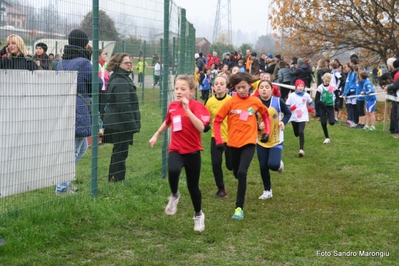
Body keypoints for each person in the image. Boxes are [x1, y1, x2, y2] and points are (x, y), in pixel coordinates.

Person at [149, 75, 211, 232]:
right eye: (176, 88)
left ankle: (198, 215)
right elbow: (168, 121)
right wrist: (156, 134)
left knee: (193, 187)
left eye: (183, 89)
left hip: (193, 152)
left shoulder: (197, 107)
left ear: (191, 91)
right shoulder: (172, 106)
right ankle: (174, 195)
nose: (178, 92)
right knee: (173, 170)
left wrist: (187, 109)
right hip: (176, 148)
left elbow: (201, 128)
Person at [213, 72, 271, 220]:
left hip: (249, 143)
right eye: (238, 88)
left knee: (242, 173)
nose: (241, 90)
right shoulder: (230, 103)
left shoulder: (255, 102)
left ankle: (239, 207)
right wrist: (219, 140)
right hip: (233, 143)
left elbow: (265, 115)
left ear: (249, 86)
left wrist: (267, 131)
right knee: (234, 169)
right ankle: (237, 174)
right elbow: (217, 121)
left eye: (244, 87)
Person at [55, 29, 99, 194]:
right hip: (79, 108)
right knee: (74, 150)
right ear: (83, 42)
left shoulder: (61, 62)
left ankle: (64, 182)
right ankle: (61, 188)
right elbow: (98, 83)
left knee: (81, 148)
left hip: (64, 107)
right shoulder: (83, 62)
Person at [103, 53, 141, 182]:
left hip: (119, 122)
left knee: (119, 151)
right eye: (126, 63)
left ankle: (115, 179)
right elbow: (124, 106)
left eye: (130, 62)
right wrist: (132, 125)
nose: (129, 65)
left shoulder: (121, 77)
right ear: (118, 64)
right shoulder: (120, 81)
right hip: (119, 123)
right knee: (120, 152)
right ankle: (116, 180)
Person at [256, 80, 291, 200]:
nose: (264, 89)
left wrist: (283, 122)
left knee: (273, 164)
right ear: (258, 90)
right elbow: (248, 119)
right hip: (261, 139)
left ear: (271, 90)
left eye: (267, 87)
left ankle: (278, 164)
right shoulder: (254, 103)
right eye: (261, 87)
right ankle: (267, 190)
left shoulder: (278, 101)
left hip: (276, 138)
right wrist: (257, 126)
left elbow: (288, 114)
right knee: (263, 166)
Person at [205, 75, 232, 198]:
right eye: (216, 84)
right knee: (216, 164)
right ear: (213, 87)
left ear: (226, 87)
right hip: (216, 137)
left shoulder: (231, 100)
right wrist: (205, 124)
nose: (219, 86)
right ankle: (221, 189)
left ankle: (237, 170)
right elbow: (206, 116)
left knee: (230, 165)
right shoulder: (210, 101)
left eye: (222, 84)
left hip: (231, 137)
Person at [286, 79, 314, 157]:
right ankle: (297, 133)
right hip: (294, 117)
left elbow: (311, 103)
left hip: (303, 116)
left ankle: (301, 150)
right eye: (299, 86)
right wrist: (291, 108)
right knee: (296, 133)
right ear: (296, 87)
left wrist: (310, 108)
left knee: (301, 132)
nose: (300, 88)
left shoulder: (306, 95)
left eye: (302, 86)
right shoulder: (292, 95)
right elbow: (287, 105)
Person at [316, 73, 336, 144]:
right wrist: (321, 103)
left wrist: (337, 102)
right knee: (323, 123)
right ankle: (327, 137)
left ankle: (329, 117)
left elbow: (337, 93)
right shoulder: (320, 87)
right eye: (326, 81)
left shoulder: (332, 86)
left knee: (332, 122)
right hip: (322, 107)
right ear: (323, 79)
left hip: (330, 106)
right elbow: (317, 99)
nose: (327, 82)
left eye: (328, 81)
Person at [98, 49, 109, 133]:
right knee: (96, 109)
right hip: (97, 91)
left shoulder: (107, 65)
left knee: (103, 110)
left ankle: (103, 128)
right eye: (104, 54)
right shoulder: (94, 64)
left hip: (105, 91)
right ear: (99, 55)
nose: (105, 55)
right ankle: (96, 127)